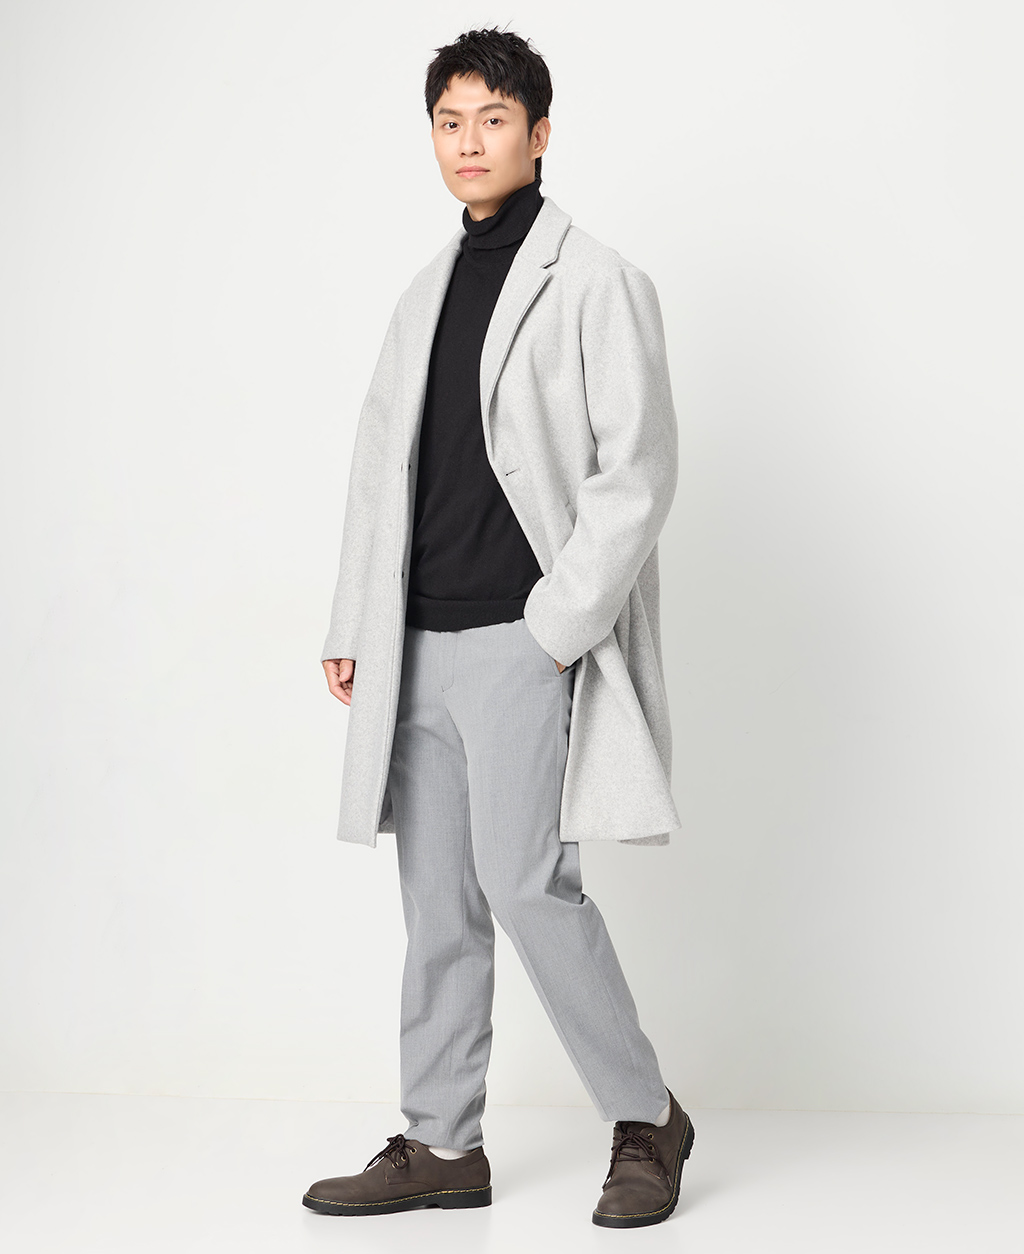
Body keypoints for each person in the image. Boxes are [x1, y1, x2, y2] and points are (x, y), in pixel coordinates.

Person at [303, 26, 693, 1229]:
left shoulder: (596, 280)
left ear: (538, 132)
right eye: (449, 122)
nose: (469, 142)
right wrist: (356, 618)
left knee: (528, 889)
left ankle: (646, 1118)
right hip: (415, 643)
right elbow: (382, 466)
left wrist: (556, 627)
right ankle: (440, 1143)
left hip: (522, 640)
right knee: (437, 905)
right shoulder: (422, 292)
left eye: (492, 119)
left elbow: (638, 470)